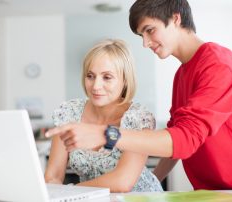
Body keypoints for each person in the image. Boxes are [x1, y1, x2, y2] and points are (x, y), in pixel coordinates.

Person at [46, 0, 232, 190]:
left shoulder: (219, 64)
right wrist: (154, 180)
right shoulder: (182, 74)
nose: (145, 43)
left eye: (150, 30)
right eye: (141, 35)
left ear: (176, 18)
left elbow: (185, 139)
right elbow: (174, 135)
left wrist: (107, 135)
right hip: (211, 190)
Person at [44, 39, 163, 192]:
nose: (95, 86)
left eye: (107, 77)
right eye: (90, 76)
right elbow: (53, 175)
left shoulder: (139, 119)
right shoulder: (68, 113)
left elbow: (122, 182)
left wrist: (70, 192)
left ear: (125, 80)